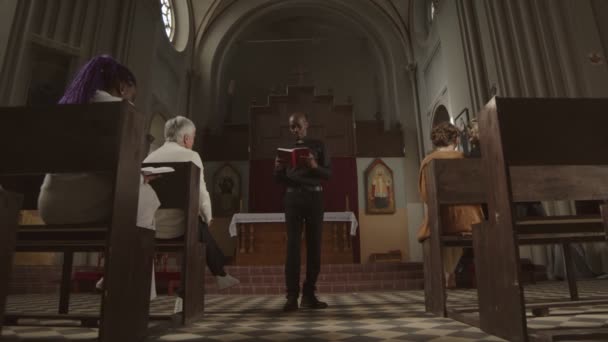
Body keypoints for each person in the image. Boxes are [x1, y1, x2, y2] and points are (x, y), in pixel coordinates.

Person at [37, 55, 161, 298]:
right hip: (86, 208)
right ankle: (130, 285)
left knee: (140, 193)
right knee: (146, 196)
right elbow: (128, 164)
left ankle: (120, 275)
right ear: (123, 86)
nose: (130, 99)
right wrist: (141, 176)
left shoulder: (66, 107)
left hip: (49, 207)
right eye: (131, 94)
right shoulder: (120, 109)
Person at [144, 116, 239, 293]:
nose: (193, 141)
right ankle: (217, 275)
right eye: (194, 137)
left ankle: (220, 275)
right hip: (181, 228)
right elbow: (201, 193)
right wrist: (208, 216)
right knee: (200, 227)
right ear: (187, 138)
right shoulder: (191, 156)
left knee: (198, 225)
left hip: (150, 227)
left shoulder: (150, 157)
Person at [274, 112, 331, 312]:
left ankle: (309, 295)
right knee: (293, 247)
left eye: (298, 125)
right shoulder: (286, 149)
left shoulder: (319, 145)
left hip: (315, 198)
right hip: (292, 199)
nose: (295, 129)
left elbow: (328, 174)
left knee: (314, 247)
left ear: (306, 124)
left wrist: (314, 165)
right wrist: (278, 169)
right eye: (292, 127)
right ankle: (291, 297)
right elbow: (279, 179)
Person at [417, 122, 484, 288]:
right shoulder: (462, 158)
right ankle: (451, 271)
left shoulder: (427, 162)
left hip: (441, 220)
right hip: (469, 220)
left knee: (438, 224)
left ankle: (446, 273)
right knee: (462, 221)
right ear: (455, 140)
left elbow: (425, 196)